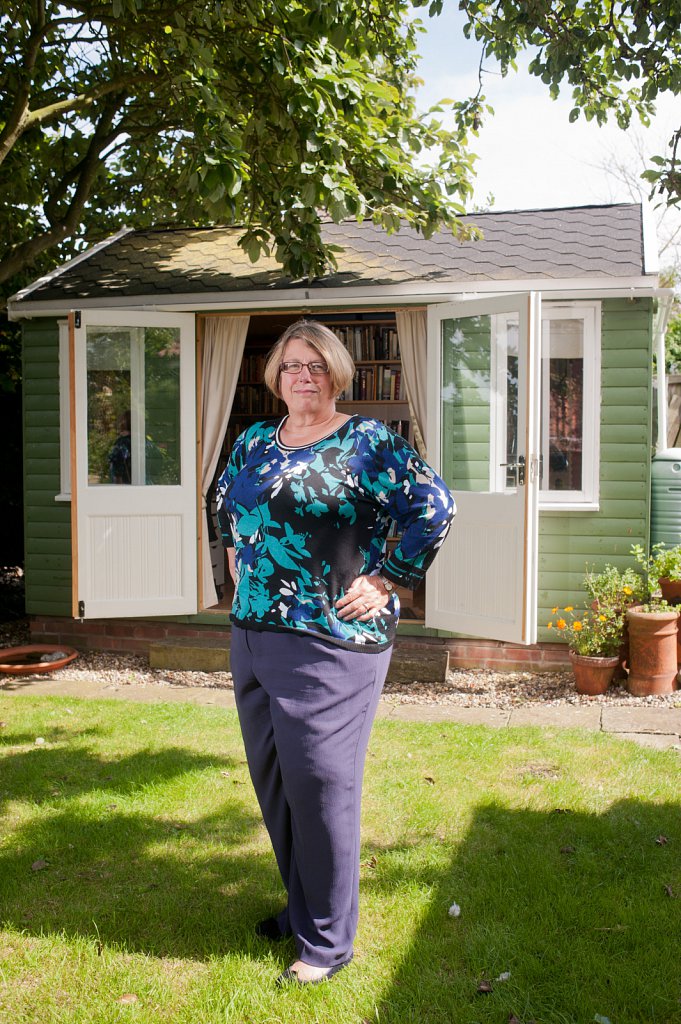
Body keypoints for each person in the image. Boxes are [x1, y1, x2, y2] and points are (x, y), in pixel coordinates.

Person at [216, 320, 455, 986]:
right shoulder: (254, 441)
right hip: (254, 634)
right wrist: (238, 560)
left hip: (332, 643)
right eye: (290, 366)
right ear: (275, 376)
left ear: (337, 374)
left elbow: (432, 506)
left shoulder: (367, 443)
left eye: (315, 365)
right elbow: (225, 506)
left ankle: (325, 942)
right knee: (277, 786)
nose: (301, 376)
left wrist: (387, 576)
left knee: (321, 787)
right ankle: (303, 909)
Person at [108, 410, 132, 484]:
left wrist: (118, 491)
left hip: (127, 488)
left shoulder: (122, 442)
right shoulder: (143, 441)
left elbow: (117, 468)